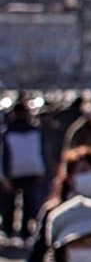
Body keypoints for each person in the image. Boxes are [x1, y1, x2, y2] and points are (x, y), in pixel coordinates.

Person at [1, 101, 47, 243]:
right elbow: (42, 152)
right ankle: (25, 232)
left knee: (10, 203)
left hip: (12, 172)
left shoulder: (7, 132)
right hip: (32, 170)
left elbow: (3, 155)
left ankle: (9, 229)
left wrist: (3, 176)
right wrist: (42, 170)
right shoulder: (35, 131)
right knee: (28, 202)